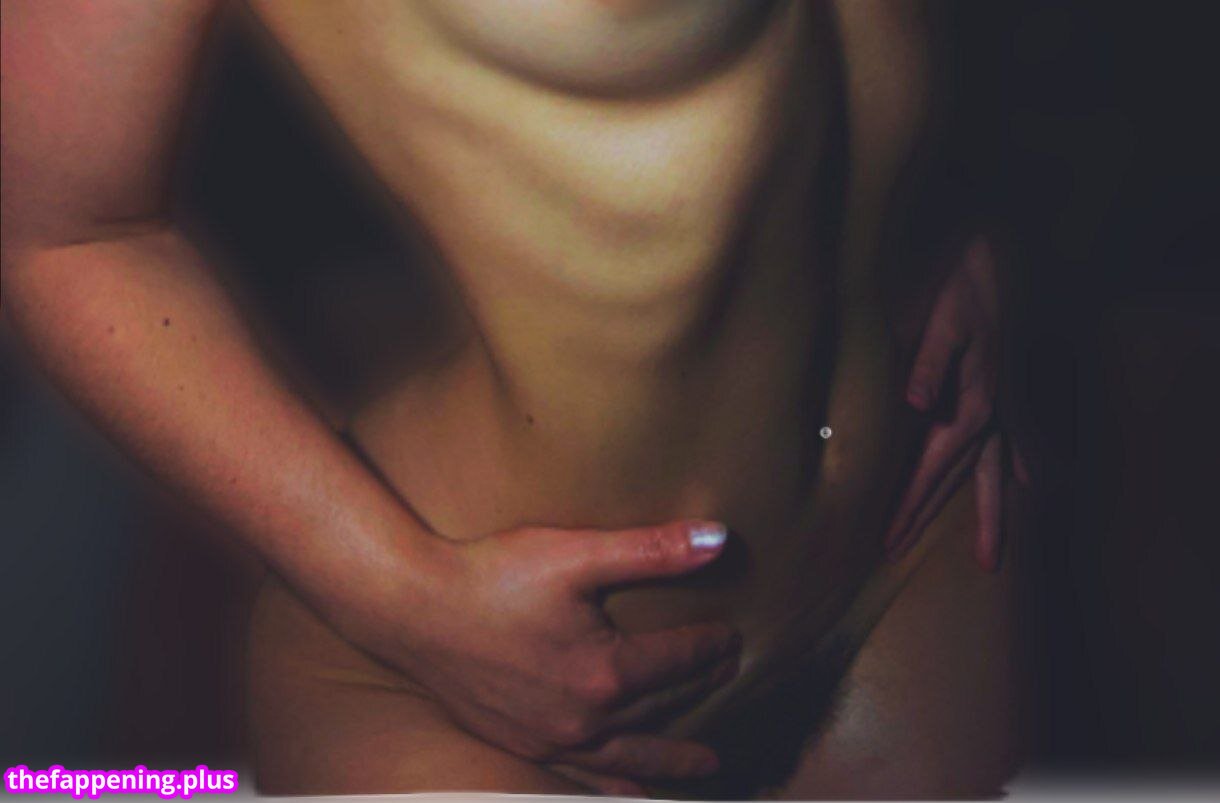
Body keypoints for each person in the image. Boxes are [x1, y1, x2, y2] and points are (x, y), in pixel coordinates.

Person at [1, 0, 1030, 796]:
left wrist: (967, 218)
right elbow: (59, 230)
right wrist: (403, 599)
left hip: (909, 548)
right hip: (475, 658)